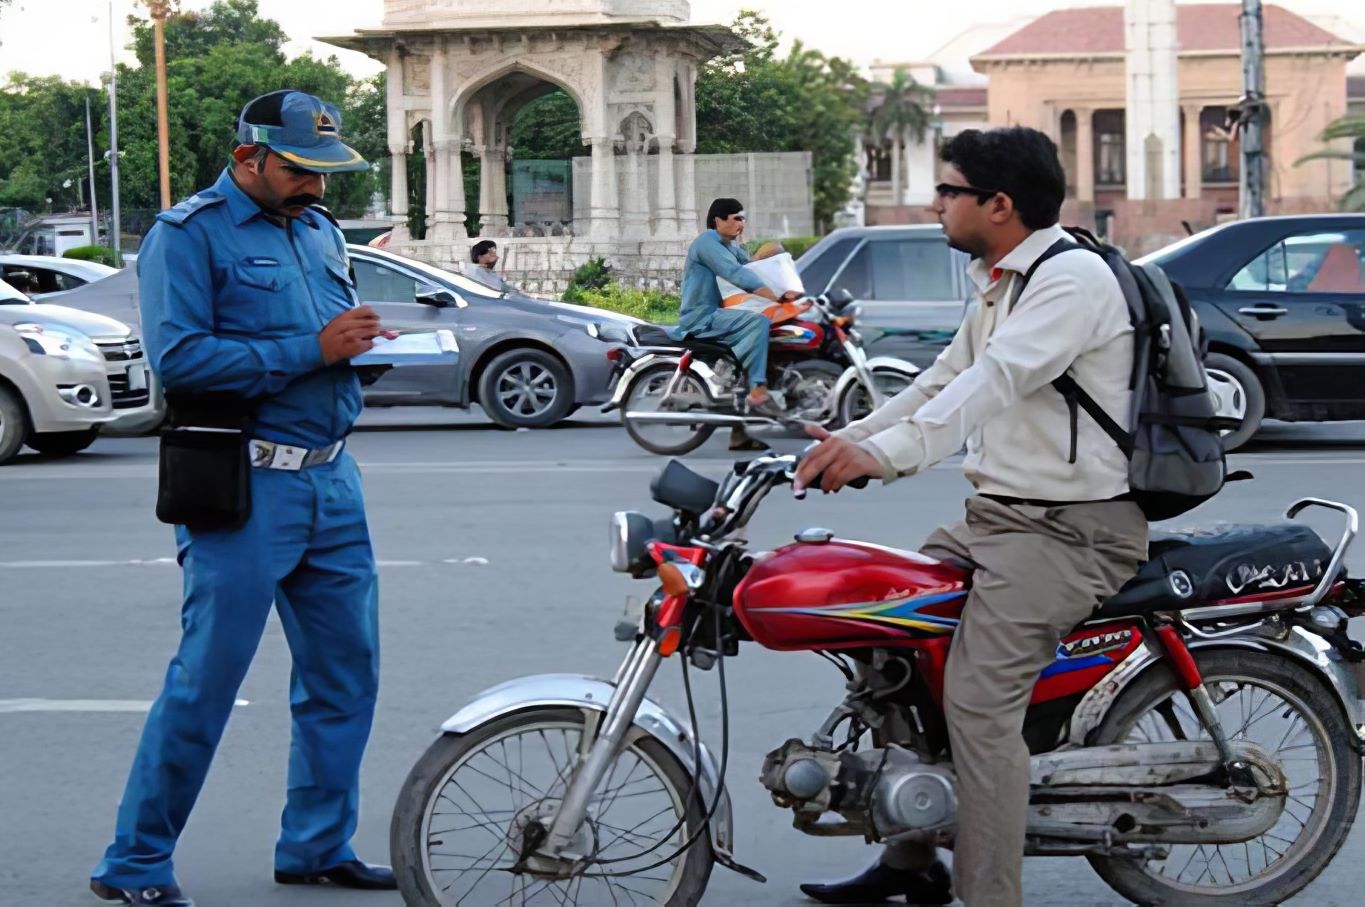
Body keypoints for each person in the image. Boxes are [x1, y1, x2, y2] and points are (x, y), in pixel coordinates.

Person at [794, 126, 1149, 907]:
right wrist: (845, 440)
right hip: (996, 519)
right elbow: (938, 381)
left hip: (1069, 530)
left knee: (980, 706)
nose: (936, 203)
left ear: (998, 204)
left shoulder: (1069, 281)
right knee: (888, 651)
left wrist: (886, 459)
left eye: (949, 191)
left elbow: (993, 381)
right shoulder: (1002, 280)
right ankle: (910, 858)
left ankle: (991, 895)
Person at [90, 90, 397, 907]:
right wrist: (311, 347)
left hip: (333, 478)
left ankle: (316, 845)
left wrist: (357, 346)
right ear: (247, 160)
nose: (317, 188)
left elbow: (328, 335)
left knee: (345, 677)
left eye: (327, 174)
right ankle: (135, 863)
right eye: (300, 172)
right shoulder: (186, 236)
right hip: (246, 485)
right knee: (206, 681)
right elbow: (182, 359)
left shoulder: (321, 231)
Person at [676, 198, 800, 421]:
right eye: (736, 219)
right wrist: (776, 295)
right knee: (757, 322)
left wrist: (775, 258)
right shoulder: (707, 242)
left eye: (743, 219)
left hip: (720, 314)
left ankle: (742, 425)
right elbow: (737, 274)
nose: (741, 224)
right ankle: (757, 390)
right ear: (718, 220)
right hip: (703, 316)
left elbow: (752, 266)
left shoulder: (730, 246)